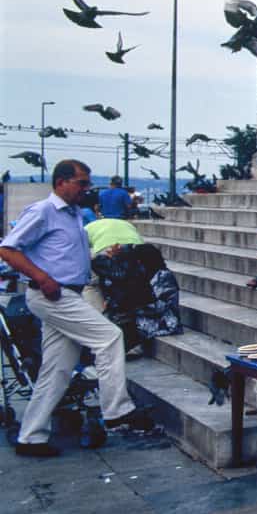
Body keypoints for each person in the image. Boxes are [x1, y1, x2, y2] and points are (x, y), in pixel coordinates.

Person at [0, 159, 154, 456]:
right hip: (53, 295)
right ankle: (117, 410)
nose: (86, 188)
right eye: (81, 183)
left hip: (68, 293)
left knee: (56, 370)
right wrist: (41, 277)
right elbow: (7, 248)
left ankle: (31, 437)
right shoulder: (44, 211)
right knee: (109, 337)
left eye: (87, 183)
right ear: (61, 182)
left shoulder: (74, 215)